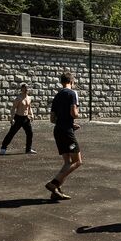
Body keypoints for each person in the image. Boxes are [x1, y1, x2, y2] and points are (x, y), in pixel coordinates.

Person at [46, 72, 82, 200]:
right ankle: (53, 183)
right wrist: (76, 114)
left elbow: (52, 119)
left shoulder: (57, 96)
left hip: (58, 130)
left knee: (67, 162)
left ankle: (56, 191)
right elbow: (73, 113)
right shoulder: (73, 93)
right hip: (66, 132)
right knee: (77, 161)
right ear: (72, 81)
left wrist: (69, 125)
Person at [0, 83, 36, 155]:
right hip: (18, 118)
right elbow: (13, 108)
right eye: (25, 88)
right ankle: (3, 148)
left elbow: (29, 107)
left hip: (25, 118)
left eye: (27, 88)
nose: (26, 89)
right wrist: (12, 118)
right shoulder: (18, 98)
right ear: (22, 89)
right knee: (11, 133)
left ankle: (28, 149)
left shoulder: (29, 98)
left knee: (30, 133)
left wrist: (32, 114)